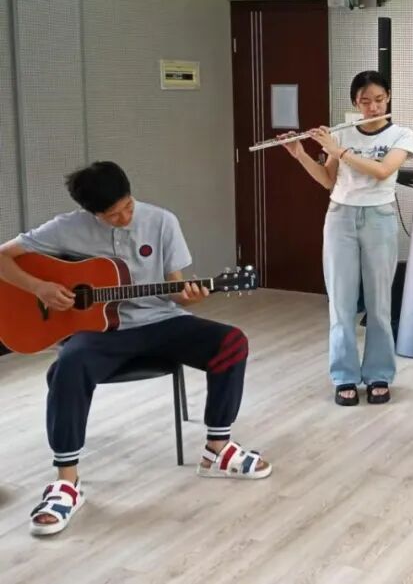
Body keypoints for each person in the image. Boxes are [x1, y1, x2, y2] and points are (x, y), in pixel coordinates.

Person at [0, 161, 271, 537]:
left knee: (231, 342)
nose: (125, 218)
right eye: (113, 215)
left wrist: (191, 295)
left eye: (128, 206)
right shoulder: (65, 228)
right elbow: (3, 256)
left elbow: (176, 290)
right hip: (101, 334)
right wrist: (39, 288)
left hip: (161, 321)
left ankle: (217, 450)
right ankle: (66, 483)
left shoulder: (162, 222)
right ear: (92, 213)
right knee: (69, 363)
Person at [283, 70, 413, 406]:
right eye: (365, 101)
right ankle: (344, 376)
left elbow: (383, 171)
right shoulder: (341, 132)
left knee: (379, 304)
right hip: (340, 217)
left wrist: (339, 151)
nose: (373, 107)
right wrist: (300, 154)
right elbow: (328, 180)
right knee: (340, 304)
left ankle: (379, 374)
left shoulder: (401, 134)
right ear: (355, 103)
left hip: (379, 217)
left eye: (379, 100)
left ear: (388, 97)